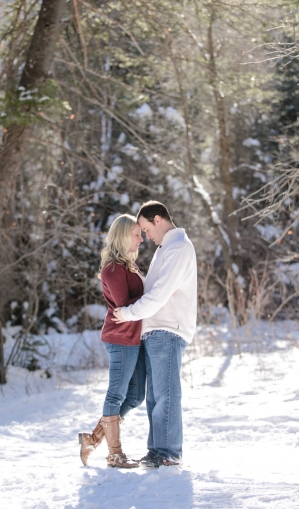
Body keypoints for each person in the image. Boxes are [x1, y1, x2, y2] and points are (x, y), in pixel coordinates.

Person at [114, 200, 197, 468]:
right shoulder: (166, 249)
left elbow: (160, 295)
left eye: (147, 230)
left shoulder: (178, 247)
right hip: (155, 330)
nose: (146, 237)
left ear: (158, 219)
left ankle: (169, 452)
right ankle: (157, 450)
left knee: (166, 393)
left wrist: (127, 313)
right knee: (154, 397)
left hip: (167, 328)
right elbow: (155, 290)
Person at [78, 214, 146, 468]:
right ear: (123, 235)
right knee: (116, 395)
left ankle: (93, 439)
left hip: (133, 339)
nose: (141, 239)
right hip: (121, 339)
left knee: (136, 396)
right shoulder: (114, 268)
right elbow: (124, 305)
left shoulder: (129, 265)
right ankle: (114, 453)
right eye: (137, 234)